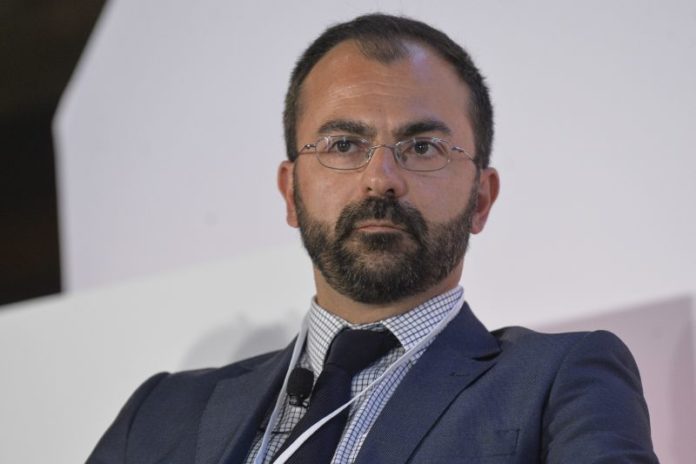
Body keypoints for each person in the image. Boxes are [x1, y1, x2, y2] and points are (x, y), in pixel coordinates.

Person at [87, 13, 657, 464]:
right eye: (343, 145)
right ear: (291, 193)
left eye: (423, 147)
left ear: (481, 199)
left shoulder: (559, 382)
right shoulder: (161, 413)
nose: (381, 178)